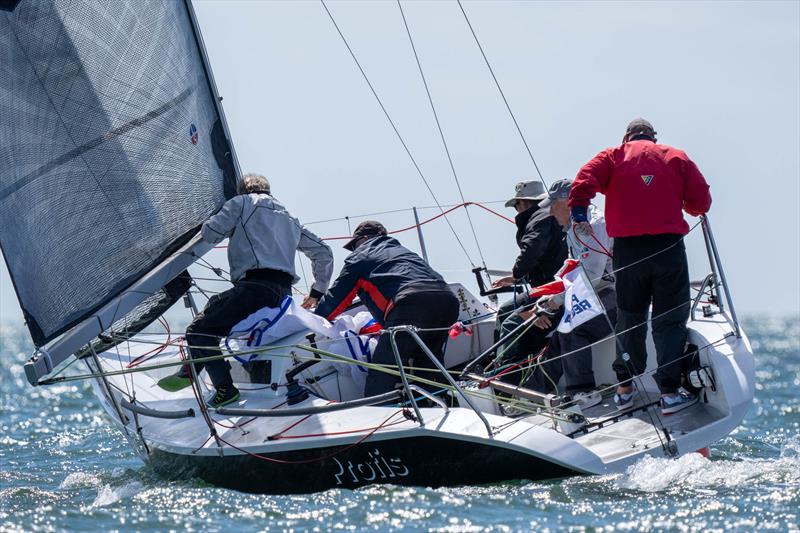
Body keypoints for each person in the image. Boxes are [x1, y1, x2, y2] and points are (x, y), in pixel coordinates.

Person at [569, 118, 712, 414]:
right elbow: (700, 203)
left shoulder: (613, 156)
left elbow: (583, 180)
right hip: (668, 250)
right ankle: (670, 395)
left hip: (629, 253)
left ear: (626, 137)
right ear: (653, 137)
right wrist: (686, 205)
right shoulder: (675, 156)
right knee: (669, 321)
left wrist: (580, 213)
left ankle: (624, 390)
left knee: (629, 318)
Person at [159, 173, 333, 407]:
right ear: (268, 190)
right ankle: (189, 370)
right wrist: (317, 292)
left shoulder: (240, 203)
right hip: (282, 295)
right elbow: (324, 252)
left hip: (255, 289)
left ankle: (225, 390)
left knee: (198, 331)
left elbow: (210, 233)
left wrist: (214, 213)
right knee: (214, 306)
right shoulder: (290, 217)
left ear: (241, 191)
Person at [314, 221, 459, 397]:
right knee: (428, 367)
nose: (354, 249)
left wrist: (314, 319)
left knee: (383, 372)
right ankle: (442, 409)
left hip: (410, 304)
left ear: (365, 238)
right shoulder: (405, 252)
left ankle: (378, 416)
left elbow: (335, 301)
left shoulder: (359, 257)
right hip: (447, 301)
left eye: (355, 244)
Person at [519, 178, 616, 408]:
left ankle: (585, 393)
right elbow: (572, 267)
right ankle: (531, 395)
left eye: (553, 205)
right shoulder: (573, 227)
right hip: (598, 293)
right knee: (560, 332)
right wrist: (545, 298)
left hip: (619, 295)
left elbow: (591, 273)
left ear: (566, 202)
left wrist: (558, 300)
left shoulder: (595, 224)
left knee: (572, 327)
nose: (551, 213)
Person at [492, 180, 567, 367]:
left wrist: (517, 274)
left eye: (516, 205)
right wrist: (516, 276)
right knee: (504, 310)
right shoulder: (547, 216)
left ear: (524, 203)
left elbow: (532, 249)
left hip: (552, 287)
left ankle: (503, 376)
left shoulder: (539, 217)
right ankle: (496, 362)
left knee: (511, 324)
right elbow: (546, 257)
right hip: (543, 285)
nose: (516, 210)